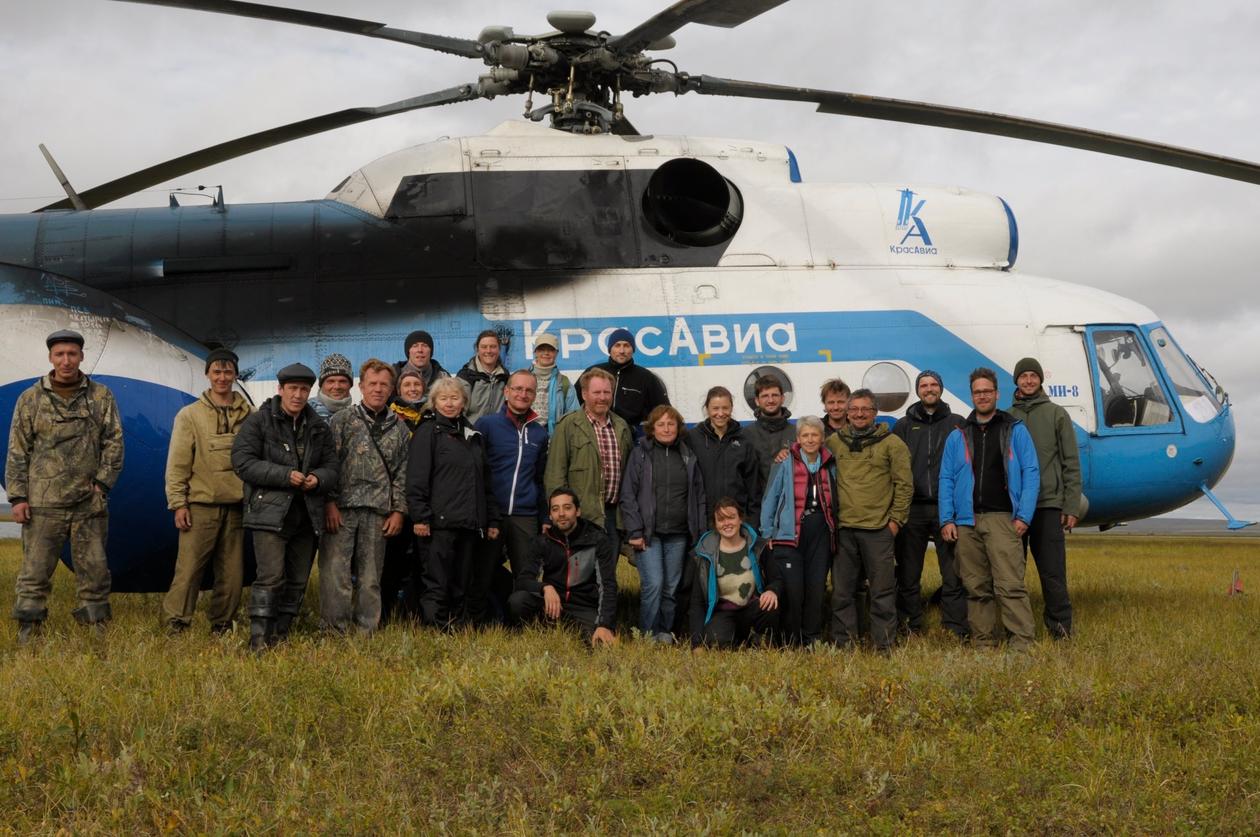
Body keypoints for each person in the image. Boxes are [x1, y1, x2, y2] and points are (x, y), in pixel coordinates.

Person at [7, 329, 124, 643]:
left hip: (89, 503)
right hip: (43, 504)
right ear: (50, 358)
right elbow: (18, 449)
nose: (66, 360)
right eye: (60, 354)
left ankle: (97, 632)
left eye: (72, 354)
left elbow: (114, 443)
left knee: (96, 571)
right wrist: (17, 497)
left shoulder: (101, 396)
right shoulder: (30, 398)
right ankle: (29, 632)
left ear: (82, 356)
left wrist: (101, 485)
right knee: (34, 572)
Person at [231, 362, 339, 651]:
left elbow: (332, 466)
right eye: (293, 389)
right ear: (280, 390)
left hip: (306, 516)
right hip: (270, 514)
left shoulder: (318, 426)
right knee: (271, 577)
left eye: (304, 390)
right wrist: (284, 475)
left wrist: (318, 479)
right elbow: (242, 461)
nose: (298, 395)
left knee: (298, 578)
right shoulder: (258, 422)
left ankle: (281, 634)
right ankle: (258, 639)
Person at [939, 367, 1040, 651]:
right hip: (967, 523)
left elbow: (1032, 473)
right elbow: (946, 478)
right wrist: (947, 518)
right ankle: (984, 644)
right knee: (976, 588)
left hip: (1003, 519)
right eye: (977, 392)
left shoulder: (1014, 430)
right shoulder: (958, 434)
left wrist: (1024, 516)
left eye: (987, 391)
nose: (982, 396)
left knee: (1010, 586)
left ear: (997, 394)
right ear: (971, 396)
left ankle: (1021, 645)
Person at [162, 347, 252, 635]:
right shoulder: (189, 415)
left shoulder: (251, 415)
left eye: (227, 372)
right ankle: (176, 622)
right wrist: (178, 503)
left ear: (235, 375)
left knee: (232, 573)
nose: (222, 377)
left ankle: (222, 624)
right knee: (188, 570)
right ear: (207, 374)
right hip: (200, 506)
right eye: (217, 371)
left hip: (237, 507)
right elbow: (177, 463)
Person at [319, 359, 409, 635]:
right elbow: (329, 465)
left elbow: (402, 473)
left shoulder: (400, 428)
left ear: (392, 389)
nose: (378, 389)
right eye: (373, 383)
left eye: (384, 385)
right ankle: (335, 629)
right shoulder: (341, 421)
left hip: (378, 512)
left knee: (371, 577)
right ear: (361, 386)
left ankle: (366, 630)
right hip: (342, 510)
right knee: (336, 573)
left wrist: (398, 511)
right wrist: (329, 503)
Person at [405, 377, 500, 629]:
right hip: (438, 524)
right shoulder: (427, 432)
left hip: (469, 523)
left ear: (464, 402)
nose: (449, 403)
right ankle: (435, 628)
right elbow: (416, 478)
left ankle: (455, 626)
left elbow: (485, 482)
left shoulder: (473, 436)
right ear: (434, 403)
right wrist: (421, 517)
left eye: (454, 398)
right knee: (437, 580)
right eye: (443, 399)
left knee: (462, 580)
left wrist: (491, 518)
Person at [826, 389, 913, 652]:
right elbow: (808, 456)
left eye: (866, 409)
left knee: (882, 591)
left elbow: (905, 486)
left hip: (878, 530)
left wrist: (895, 522)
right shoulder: (834, 442)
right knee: (842, 592)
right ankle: (845, 645)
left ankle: (883, 645)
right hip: (844, 530)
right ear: (847, 413)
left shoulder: (892, 443)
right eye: (854, 409)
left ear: (875, 413)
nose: (859, 414)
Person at [891, 370, 968, 639]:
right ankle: (911, 626)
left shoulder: (957, 423)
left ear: (941, 388)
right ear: (918, 390)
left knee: (953, 573)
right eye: (924, 385)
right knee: (909, 574)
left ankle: (955, 627)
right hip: (913, 509)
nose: (929, 389)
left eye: (934, 384)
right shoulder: (902, 426)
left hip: (946, 508)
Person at [1009, 357, 1082, 639]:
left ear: (1040, 380)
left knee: (1052, 574)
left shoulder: (1056, 414)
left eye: (1033, 376)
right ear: (1016, 380)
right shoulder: (1006, 415)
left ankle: (1060, 629)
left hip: (1048, 505)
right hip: (1013, 508)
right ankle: (1015, 629)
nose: (1028, 381)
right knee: (1011, 574)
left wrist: (1071, 504)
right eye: (1023, 376)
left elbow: (1071, 462)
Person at [621, 405, 706, 643]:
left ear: (678, 428)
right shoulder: (640, 455)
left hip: (678, 535)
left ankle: (665, 632)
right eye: (661, 424)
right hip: (649, 535)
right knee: (654, 585)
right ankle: (647, 634)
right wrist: (634, 531)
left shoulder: (688, 456)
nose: (666, 429)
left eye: (671, 424)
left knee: (671, 588)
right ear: (652, 429)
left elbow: (698, 496)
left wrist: (698, 532)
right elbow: (628, 495)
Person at [472, 369, 549, 624]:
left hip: (524, 515)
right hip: (492, 512)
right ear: (506, 392)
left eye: (528, 390)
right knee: (483, 571)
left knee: (526, 574)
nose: (522, 394)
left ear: (534, 395)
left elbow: (539, 478)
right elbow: (475, 470)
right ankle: (481, 621)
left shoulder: (539, 433)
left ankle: (522, 624)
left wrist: (543, 516)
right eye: (517, 388)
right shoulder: (487, 425)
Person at [507, 487, 618, 646]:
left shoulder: (597, 539)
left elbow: (608, 585)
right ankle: (543, 631)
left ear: (577, 511)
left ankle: (577, 631)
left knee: (597, 645)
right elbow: (523, 580)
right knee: (518, 601)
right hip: (553, 605)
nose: (561, 514)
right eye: (555, 509)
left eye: (567, 508)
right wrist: (545, 587)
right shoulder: (542, 542)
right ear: (550, 515)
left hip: (584, 607)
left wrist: (604, 624)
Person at [760, 416, 836, 646]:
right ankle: (790, 638)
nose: (810, 439)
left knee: (815, 586)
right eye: (805, 435)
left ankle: (811, 636)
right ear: (798, 438)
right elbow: (770, 498)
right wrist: (767, 532)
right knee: (794, 589)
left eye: (814, 435)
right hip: (789, 533)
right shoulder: (785, 463)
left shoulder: (830, 462)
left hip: (820, 532)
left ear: (822, 438)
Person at [543, 368, 633, 547]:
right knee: (579, 573)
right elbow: (555, 474)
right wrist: (562, 514)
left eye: (607, 392)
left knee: (607, 573)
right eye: (597, 392)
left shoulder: (621, 426)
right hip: (580, 517)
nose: (602, 397)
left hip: (613, 517)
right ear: (584, 394)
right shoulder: (568, 425)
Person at [689, 498, 780, 648]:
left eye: (731, 517)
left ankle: (759, 640)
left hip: (752, 607)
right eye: (721, 519)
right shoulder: (705, 554)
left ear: (740, 519)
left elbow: (777, 578)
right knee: (716, 643)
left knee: (770, 605)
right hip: (723, 612)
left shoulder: (758, 546)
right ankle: (734, 640)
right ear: (715, 524)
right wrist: (697, 644)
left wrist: (772, 590)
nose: (727, 523)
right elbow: (696, 603)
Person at [685, 385, 761, 524]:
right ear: (707, 409)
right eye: (715, 408)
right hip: (704, 519)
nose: (720, 413)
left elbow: (753, 487)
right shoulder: (693, 438)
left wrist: (753, 522)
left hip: (736, 519)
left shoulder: (744, 440)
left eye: (725, 408)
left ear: (731, 408)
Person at [583, 327, 669, 434]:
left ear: (633, 349)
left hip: (632, 439)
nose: (622, 351)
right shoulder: (592, 372)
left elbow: (664, 411)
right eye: (617, 345)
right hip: (595, 434)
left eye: (626, 346)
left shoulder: (646, 377)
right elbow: (575, 405)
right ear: (610, 349)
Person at [743, 374, 796, 488]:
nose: (770, 400)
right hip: (756, 504)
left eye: (775, 395)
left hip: (790, 502)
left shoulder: (797, 433)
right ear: (757, 400)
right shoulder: (746, 435)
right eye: (765, 396)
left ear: (782, 398)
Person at [527, 332, 580, 434]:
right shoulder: (522, 378)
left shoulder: (564, 383)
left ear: (556, 353)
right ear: (535, 352)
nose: (546, 353)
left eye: (551, 350)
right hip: (526, 436)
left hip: (553, 439)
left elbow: (574, 416)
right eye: (542, 349)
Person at [457, 329, 510, 424]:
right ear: (477, 349)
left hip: (496, 432)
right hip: (472, 433)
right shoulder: (466, 376)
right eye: (484, 347)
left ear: (499, 349)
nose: (488, 351)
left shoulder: (505, 377)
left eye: (493, 347)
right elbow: (459, 412)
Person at [310, 352, 353, 422]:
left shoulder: (357, 414)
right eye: (331, 381)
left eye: (342, 381)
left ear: (350, 385)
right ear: (321, 385)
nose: (337, 387)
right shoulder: (306, 411)